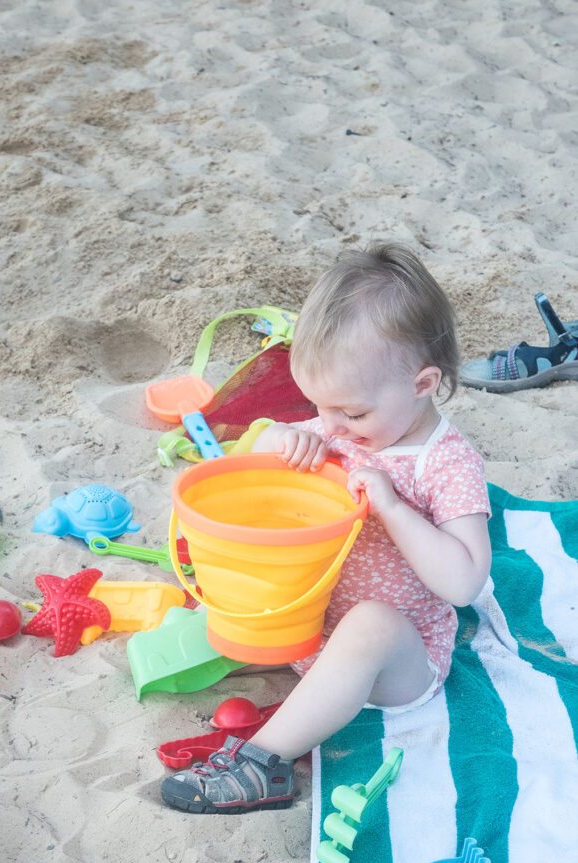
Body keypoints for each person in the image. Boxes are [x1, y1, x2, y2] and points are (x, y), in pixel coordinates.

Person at [161, 242, 492, 814]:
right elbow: (255, 462)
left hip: (397, 660)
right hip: (306, 630)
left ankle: (266, 762)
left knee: (371, 626)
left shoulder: (446, 462)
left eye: (352, 412)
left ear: (422, 383)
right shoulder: (342, 424)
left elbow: (463, 584)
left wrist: (392, 508)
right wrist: (277, 440)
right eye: (318, 406)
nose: (332, 425)